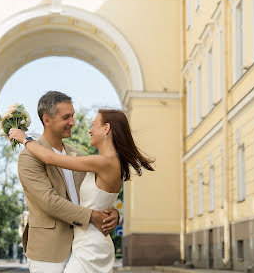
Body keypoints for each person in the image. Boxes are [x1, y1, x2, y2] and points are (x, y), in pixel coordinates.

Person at [10, 104, 155, 273]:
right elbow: (97, 198)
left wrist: (24, 138)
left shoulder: (103, 161)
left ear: (106, 128)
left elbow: (49, 158)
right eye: (67, 117)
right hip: (84, 242)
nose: (89, 130)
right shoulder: (105, 161)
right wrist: (115, 214)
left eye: (94, 124)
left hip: (91, 245)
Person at [16, 91, 119, 273]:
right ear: (47, 120)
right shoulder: (29, 157)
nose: (72, 122)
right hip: (49, 252)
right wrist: (93, 216)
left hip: (83, 248)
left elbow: (94, 194)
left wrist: (114, 213)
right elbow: (49, 201)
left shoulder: (77, 155)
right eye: (66, 117)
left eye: (72, 116)